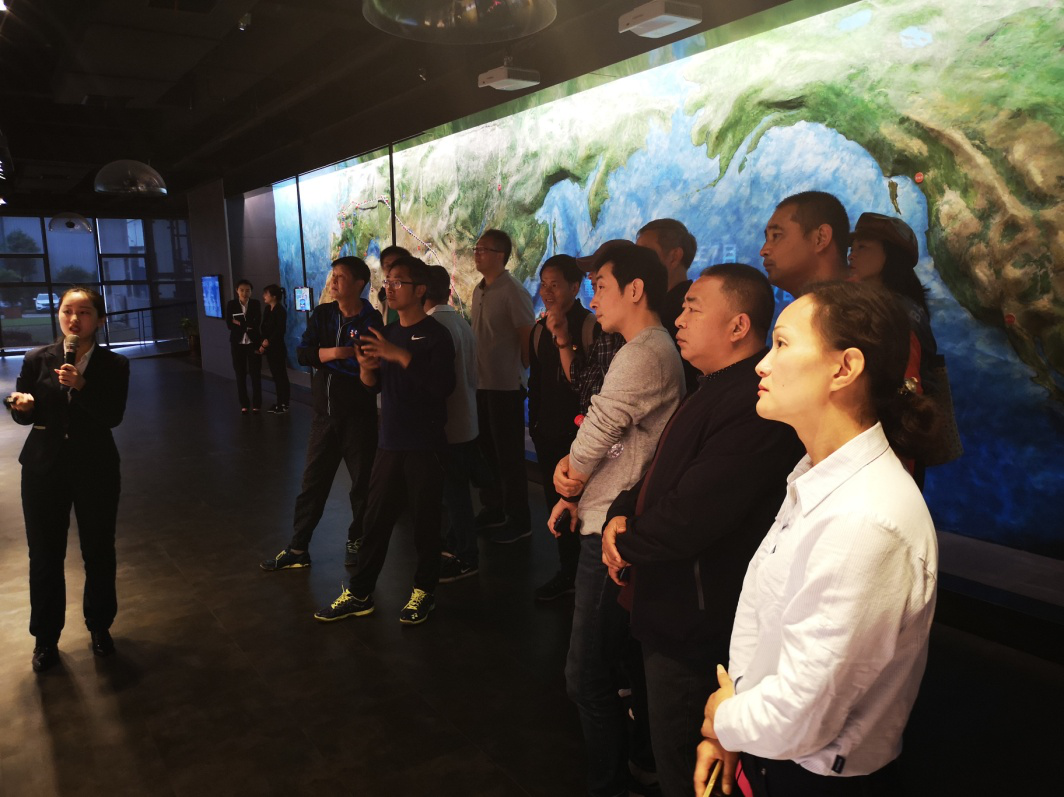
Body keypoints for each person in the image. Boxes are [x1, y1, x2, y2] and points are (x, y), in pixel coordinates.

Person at [695, 281, 940, 797]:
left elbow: (802, 715)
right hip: (771, 752)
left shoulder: (866, 519)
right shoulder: (818, 473)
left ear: (844, 368)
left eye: (782, 344)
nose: (762, 365)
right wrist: (735, 726)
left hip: (813, 777)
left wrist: (725, 719)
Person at [598, 265, 803, 797]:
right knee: (669, 746)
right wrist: (621, 511)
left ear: (738, 326)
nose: (679, 319)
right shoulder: (712, 386)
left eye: (693, 308)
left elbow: (695, 513)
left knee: (689, 762)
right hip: (667, 603)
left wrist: (626, 542)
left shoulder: (752, 401)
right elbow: (658, 471)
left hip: (695, 620)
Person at [547, 244, 686, 797]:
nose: (593, 298)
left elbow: (601, 426)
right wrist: (576, 488)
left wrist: (569, 476)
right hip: (607, 513)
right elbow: (616, 437)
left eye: (601, 286)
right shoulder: (643, 348)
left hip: (610, 532)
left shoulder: (645, 351)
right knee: (623, 659)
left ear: (635, 290)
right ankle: (640, 762)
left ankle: (608, 783)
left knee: (585, 676)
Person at [316, 255, 456, 625]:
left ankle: (424, 590)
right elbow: (374, 386)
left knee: (425, 523)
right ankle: (360, 592)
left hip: (425, 445)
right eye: (388, 281)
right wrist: (366, 370)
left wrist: (401, 356)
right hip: (389, 442)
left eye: (398, 282)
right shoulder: (388, 332)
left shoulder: (436, 334)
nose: (389, 288)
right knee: (374, 521)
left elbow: (442, 386)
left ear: (420, 289)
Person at [7, 286, 130, 672]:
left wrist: (82, 386)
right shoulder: (36, 358)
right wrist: (21, 407)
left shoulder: (115, 364)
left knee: (98, 550)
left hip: (96, 467)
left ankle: (100, 626)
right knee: (44, 555)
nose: (74, 319)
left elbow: (112, 416)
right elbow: (24, 409)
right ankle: (45, 638)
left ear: (100, 320)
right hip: (43, 469)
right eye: (67, 311)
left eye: (85, 312)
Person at [260, 257, 382, 571]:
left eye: (340, 276)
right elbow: (303, 353)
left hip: (359, 418)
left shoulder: (371, 320)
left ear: (359, 283)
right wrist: (338, 353)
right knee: (312, 484)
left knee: (362, 486)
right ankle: (298, 547)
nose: (333, 281)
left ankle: (357, 540)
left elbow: (369, 368)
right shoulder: (324, 314)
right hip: (323, 415)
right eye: (333, 275)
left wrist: (322, 357)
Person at [528, 254, 595, 601]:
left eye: (555, 285)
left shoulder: (591, 327)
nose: (547, 292)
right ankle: (568, 572)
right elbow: (536, 382)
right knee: (556, 505)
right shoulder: (538, 329)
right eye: (544, 284)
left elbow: (589, 387)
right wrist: (535, 424)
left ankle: (587, 579)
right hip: (548, 433)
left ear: (575, 286)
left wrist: (564, 338)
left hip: (582, 438)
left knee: (585, 507)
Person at [470, 228, 536, 543]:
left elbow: (527, 335)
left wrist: (519, 371)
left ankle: (519, 519)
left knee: (509, 457)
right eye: (476, 248)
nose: (476, 253)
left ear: (500, 255)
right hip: (481, 384)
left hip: (506, 387)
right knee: (486, 452)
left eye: (483, 249)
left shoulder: (513, 291)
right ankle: (493, 507)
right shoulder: (478, 289)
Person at [423, 265, 481, 583]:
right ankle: (457, 544)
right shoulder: (460, 322)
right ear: (448, 290)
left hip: (447, 425)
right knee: (458, 491)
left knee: (455, 495)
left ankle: (467, 556)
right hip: (466, 420)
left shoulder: (433, 327)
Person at [636, 218, 701, 393]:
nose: (636, 263)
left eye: (645, 254)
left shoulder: (685, 311)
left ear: (674, 256)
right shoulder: (657, 305)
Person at [760, 191, 850, 296]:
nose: (763, 251)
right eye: (767, 238)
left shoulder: (859, 305)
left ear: (821, 238)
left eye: (776, 235)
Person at [225, 279, 262, 413]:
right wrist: (246, 325)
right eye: (242, 290)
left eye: (247, 290)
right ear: (237, 291)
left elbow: (256, 323)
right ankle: (244, 404)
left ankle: (257, 404)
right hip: (237, 343)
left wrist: (239, 323)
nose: (245, 293)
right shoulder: (231, 304)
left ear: (251, 292)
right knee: (240, 374)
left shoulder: (255, 303)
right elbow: (229, 324)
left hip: (253, 343)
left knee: (255, 374)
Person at [258, 283, 290, 414]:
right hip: (269, 348)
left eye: (266, 294)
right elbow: (264, 327)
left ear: (274, 296)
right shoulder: (267, 309)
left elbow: (280, 330)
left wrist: (268, 341)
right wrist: (263, 340)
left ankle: (284, 403)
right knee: (276, 376)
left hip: (277, 348)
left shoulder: (280, 310)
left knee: (281, 375)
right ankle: (279, 402)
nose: (264, 296)